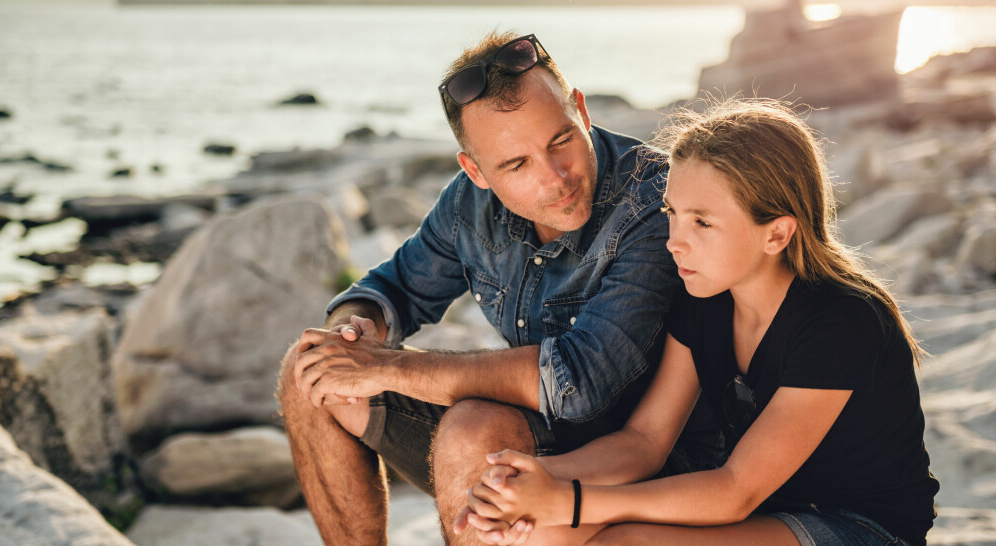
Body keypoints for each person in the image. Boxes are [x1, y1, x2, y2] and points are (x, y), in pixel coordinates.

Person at [276, 31, 721, 545]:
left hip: (647, 462)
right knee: (308, 370)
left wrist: (385, 367)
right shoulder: (468, 204)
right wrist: (348, 338)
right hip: (535, 435)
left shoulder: (656, 200)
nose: (555, 178)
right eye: (517, 164)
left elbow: (577, 381)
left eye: (561, 140)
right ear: (476, 170)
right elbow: (394, 286)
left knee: (473, 433)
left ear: (580, 111)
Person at [457, 99, 940, 546]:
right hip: (769, 509)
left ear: (777, 233)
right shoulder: (706, 299)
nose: (675, 242)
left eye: (702, 223)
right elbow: (645, 441)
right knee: (548, 532)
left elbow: (736, 490)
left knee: (622, 541)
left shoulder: (841, 322)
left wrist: (572, 500)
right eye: (672, 213)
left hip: (858, 526)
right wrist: (528, 481)